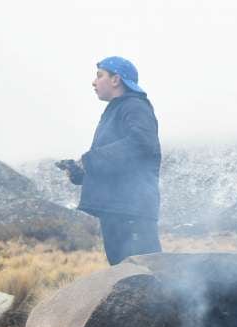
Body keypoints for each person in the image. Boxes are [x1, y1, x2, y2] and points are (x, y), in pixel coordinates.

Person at [59, 56, 162, 265]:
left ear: (116, 80)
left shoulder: (134, 106)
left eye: (99, 76)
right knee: (129, 277)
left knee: (145, 277)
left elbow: (142, 144)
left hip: (131, 209)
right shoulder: (116, 110)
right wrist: (80, 172)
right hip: (118, 210)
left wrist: (88, 161)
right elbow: (116, 162)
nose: (93, 82)